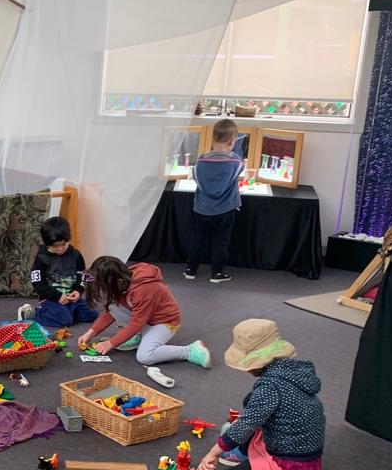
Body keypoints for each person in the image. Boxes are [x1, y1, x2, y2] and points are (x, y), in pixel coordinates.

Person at [196, 319, 323, 470]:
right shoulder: (290, 371)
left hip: (292, 462)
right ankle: (244, 452)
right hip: (299, 445)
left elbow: (245, 426)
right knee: (250, 400)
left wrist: (212, 453)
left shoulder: (270, 387)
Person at [77, 256, 211, 370]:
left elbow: (137, 323)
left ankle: (189, 351)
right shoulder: (121, 279)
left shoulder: (144, 289)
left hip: (164, 322)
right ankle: (138, 337)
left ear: (115, 281)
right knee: (113, 305)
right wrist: (91, 332)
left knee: (145, 356)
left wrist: (111, 343)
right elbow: (111, 310)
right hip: (145, 318)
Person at [184, 118, 245, 284]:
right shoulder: (235, 162)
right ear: (232, 141)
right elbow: (239, 167)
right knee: (221, 241)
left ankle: (191, 269)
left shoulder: (201, 160)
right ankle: (217, 273)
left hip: (202, 209)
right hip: (225, 210)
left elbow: (196, 178)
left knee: (197, 239)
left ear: (213, 138)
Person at [18, 216, 99, 329]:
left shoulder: (76, 254)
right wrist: (57, 297)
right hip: (51, 299)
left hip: (70, 298)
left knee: (92, 314)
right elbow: (37, 284)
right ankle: (33, 313)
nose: (60, 249)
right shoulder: (41, 258)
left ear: (68, 239)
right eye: (55, 246)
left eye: (64, 244)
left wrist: (78, 290)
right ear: (47, 244)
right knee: (65, 321)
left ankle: (63, 312)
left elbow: (82, 276)